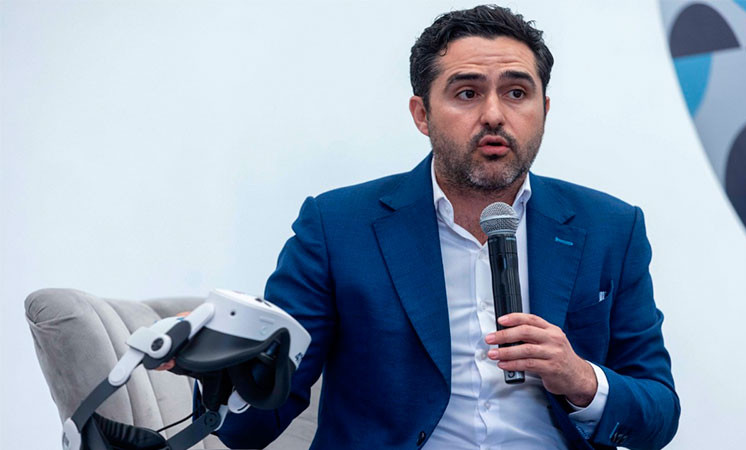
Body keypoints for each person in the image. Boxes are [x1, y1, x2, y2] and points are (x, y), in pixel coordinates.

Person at [212, 5, 680, 449]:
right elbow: (253, 416)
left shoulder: (610, 228)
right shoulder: (338, 228)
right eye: (467, 93)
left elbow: (659, 413)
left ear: (545, 109)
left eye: (517, 93)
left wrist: (582, 380)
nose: (494, 114)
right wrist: (214, 367)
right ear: (422, 115)